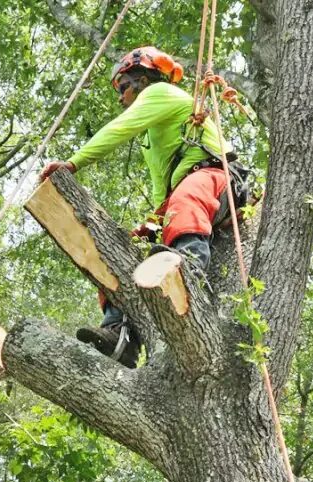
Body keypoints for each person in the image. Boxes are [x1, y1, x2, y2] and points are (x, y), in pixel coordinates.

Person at [40, 46, 234, 368]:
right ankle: (120, 334)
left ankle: (190, 280)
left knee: (185, 202)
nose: (120, 97)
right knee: (130, 244)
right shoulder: (154, 135)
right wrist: (154, 223)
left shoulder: (161, 92)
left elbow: (119, 129)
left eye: (123, 86)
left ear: (143, 80)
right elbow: (164, 188)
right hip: (184, 188)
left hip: (215, 175)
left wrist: (73, 164)